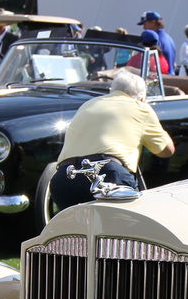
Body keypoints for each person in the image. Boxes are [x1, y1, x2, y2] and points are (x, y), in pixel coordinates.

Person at [49, 70, 174, 211]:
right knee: (122, 228)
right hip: (108, 174)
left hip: (64, 177)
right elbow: (167, 150)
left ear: (112, 90)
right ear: (141, 98)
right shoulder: (141, 107)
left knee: (73, 230)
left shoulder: (89, 104)